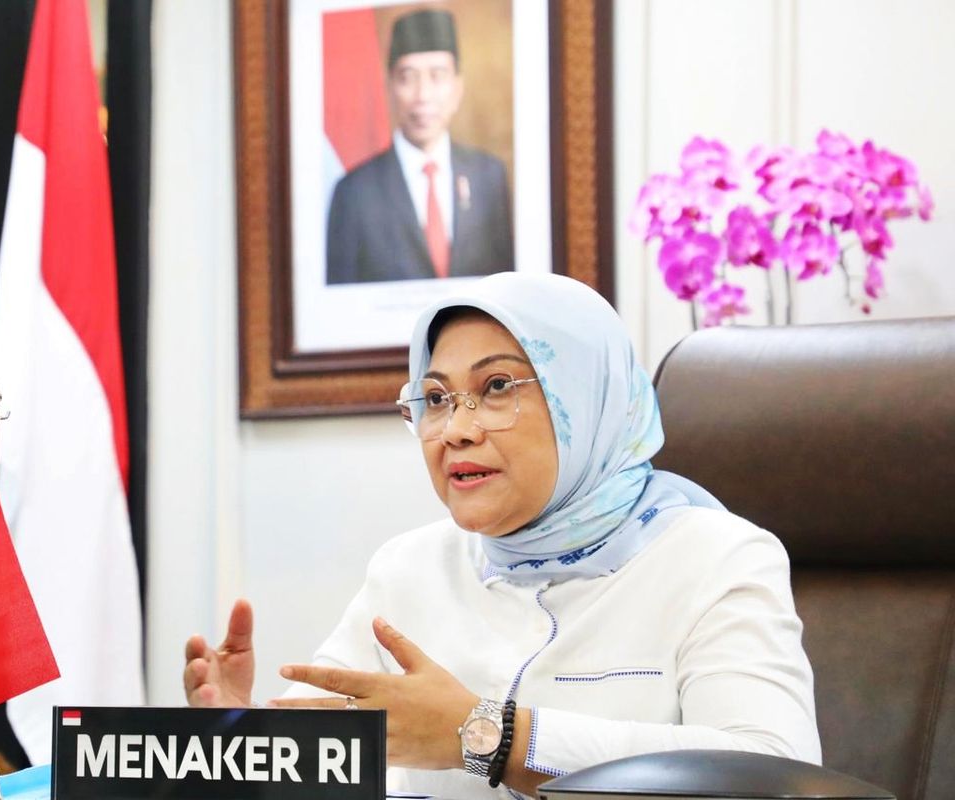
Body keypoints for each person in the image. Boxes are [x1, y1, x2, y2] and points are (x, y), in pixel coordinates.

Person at [184, 272, 821, 799]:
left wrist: (490, 736)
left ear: (587, 399)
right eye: (435, 398)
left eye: (495, 388)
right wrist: (242, 747)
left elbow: (772, 770)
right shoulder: (408, 568)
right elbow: (326, 759)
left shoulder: (716, 558)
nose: (455, 429)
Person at [326, 8, 514, 284]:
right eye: (408, 77)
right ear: (390, 87)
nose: (423, 96)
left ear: (457, 88)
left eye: (437, 76)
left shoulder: (489, 176)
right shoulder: (354, 193)